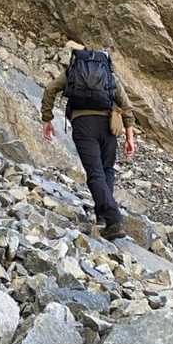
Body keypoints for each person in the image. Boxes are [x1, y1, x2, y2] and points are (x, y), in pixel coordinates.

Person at [40, 45, 136, 239]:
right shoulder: (108, 74)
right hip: (108, 124)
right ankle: (105, 218)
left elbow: (50, 89)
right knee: (107, 170)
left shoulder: (74, 71)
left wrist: (47, 119)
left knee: (95, 173)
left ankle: (113, 219)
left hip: (83, 124)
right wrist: (129, 136)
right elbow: (125, 105)